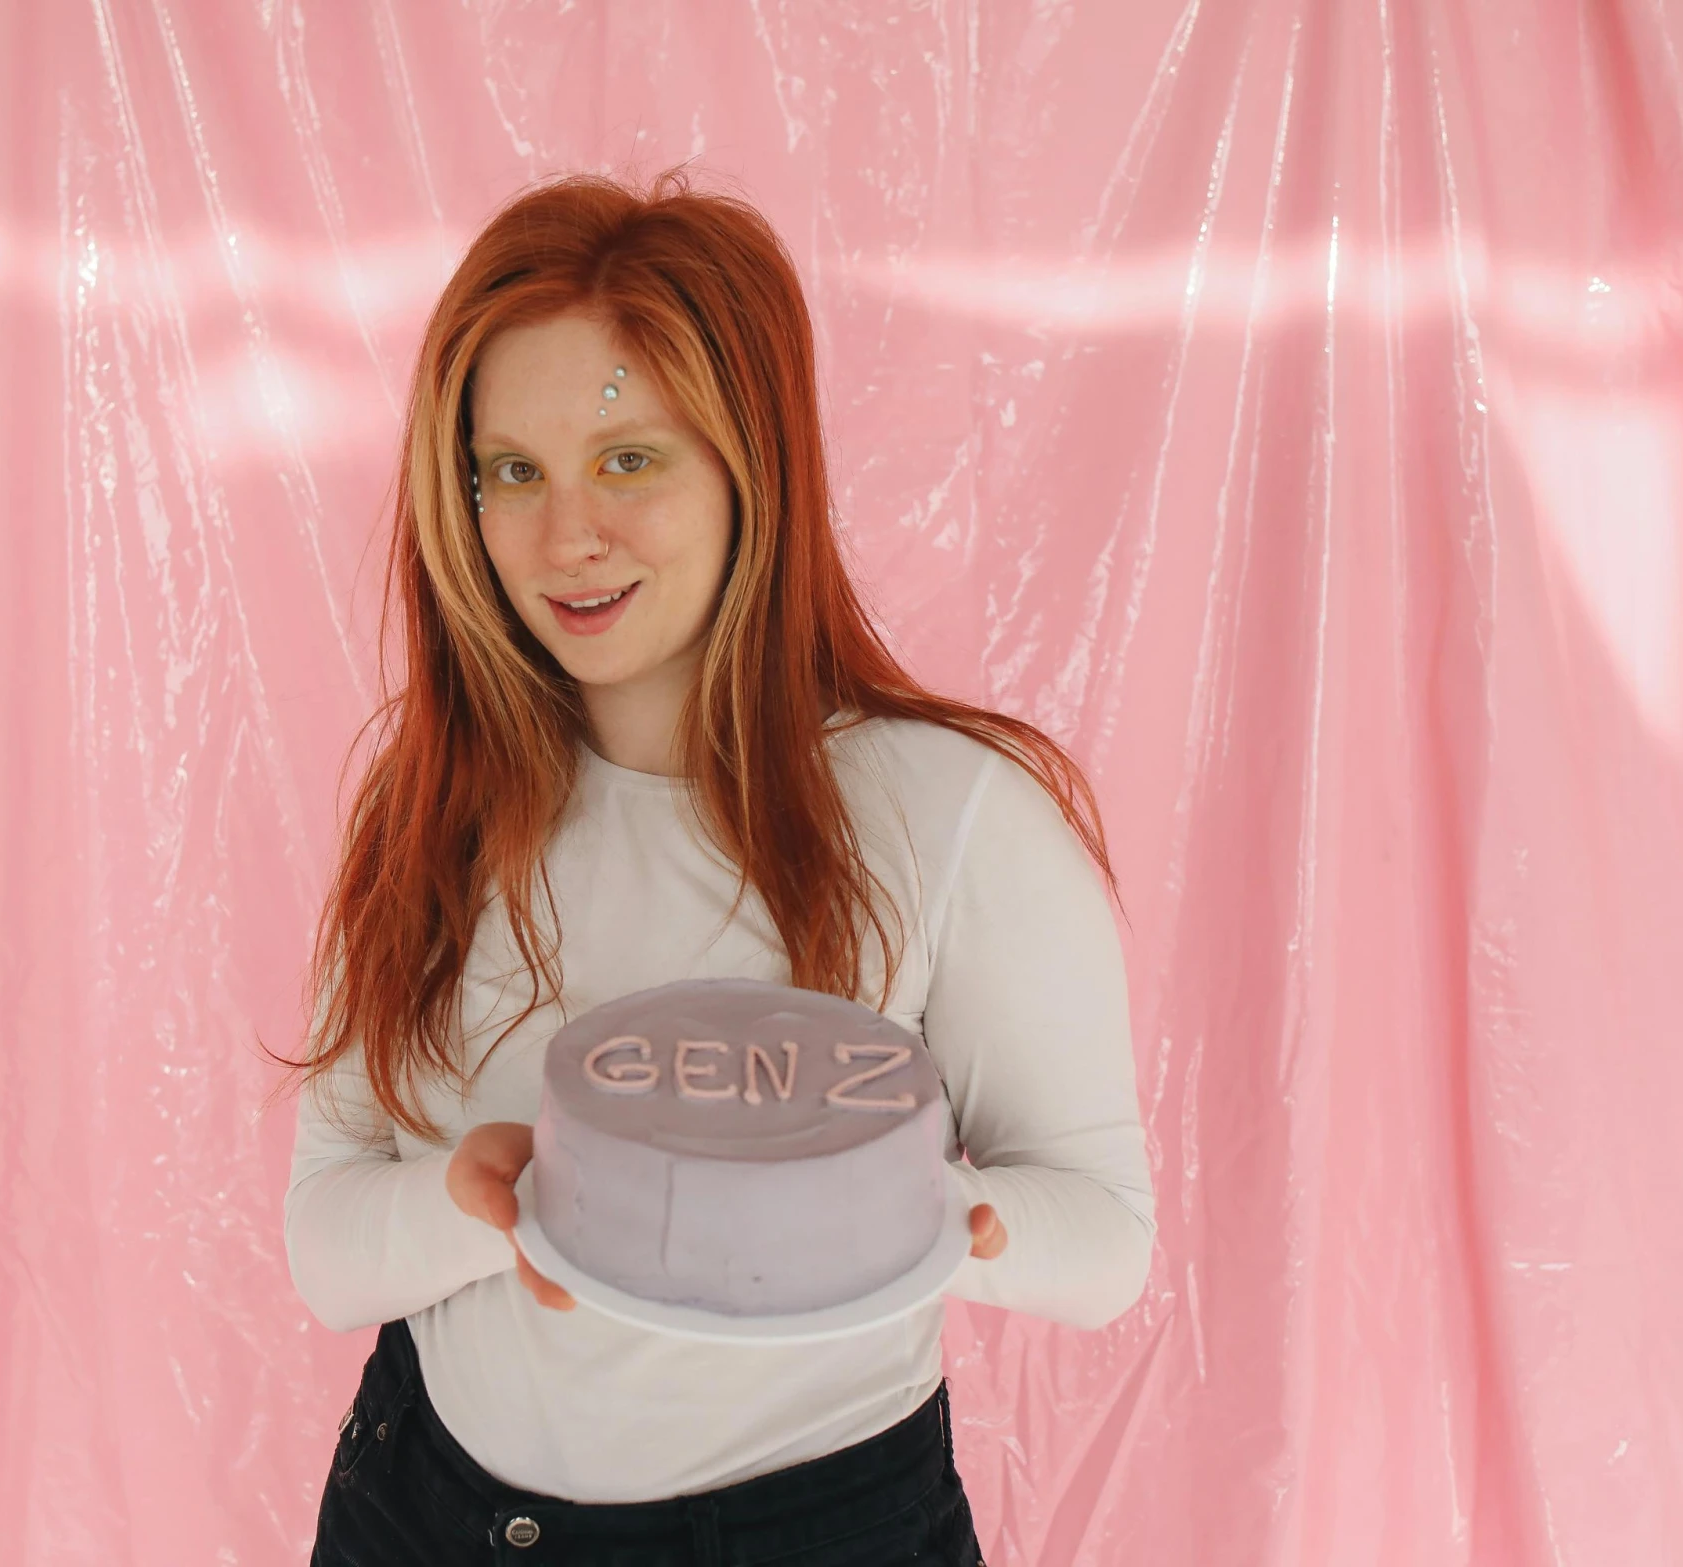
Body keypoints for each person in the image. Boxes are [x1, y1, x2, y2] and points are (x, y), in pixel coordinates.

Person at [268, 165, 1155, 1566]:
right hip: (420, 1510)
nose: (567, 535)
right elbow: (325, 1241)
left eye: (630, 458)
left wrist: (895, 1210)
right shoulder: (427, 801)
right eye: (511, 470)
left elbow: (1104, 1241)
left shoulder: (953, 813)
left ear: (756, 464)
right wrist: (492, 1195)